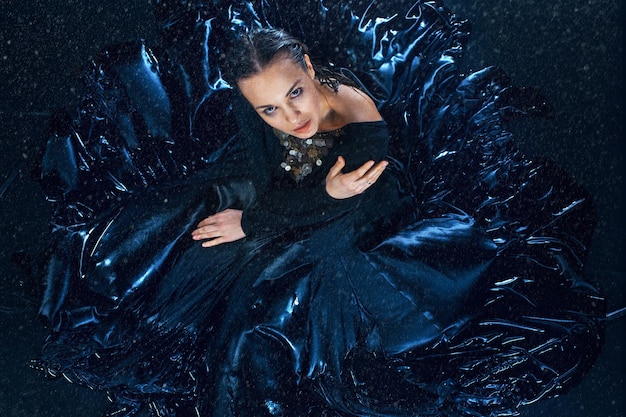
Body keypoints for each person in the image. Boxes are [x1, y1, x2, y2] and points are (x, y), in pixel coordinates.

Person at [32, 1, 607, 416]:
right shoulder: (255, 110)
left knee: (265, 306)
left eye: (295, 94)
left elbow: (346, 214)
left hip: (363, 217)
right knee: (194, 216)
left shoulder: (359, 119)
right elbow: (266, 177)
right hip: (303, 193)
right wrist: (266, 203)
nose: (289, 116)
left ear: (307, 65)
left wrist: (265, 218)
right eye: (269, 109)